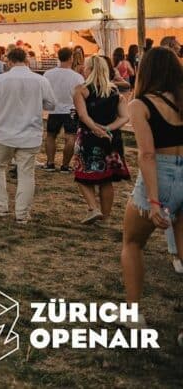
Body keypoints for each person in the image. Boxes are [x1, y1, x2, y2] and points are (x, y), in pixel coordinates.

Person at [121, 47, 183, 328]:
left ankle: (134, 315)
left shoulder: (140, 104)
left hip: (162, 173)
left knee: (133, 243)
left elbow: (146, 154)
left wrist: (155, 201)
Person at [0, 47, 56, 223]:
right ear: (27, 60)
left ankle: (0, 205)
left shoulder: (1, 80)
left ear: (8, 61)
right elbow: (51, 104)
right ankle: (22, 213)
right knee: (26, 173)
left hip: (3, 133)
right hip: (30, 134)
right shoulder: (40, 80)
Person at [72, 55, 130, 223]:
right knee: (106, 179)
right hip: (111, 139)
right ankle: (105, 217)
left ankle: (93, 208)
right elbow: (125, 117)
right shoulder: (115, 92)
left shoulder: (81, 89)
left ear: (89, 69)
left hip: (89, 137)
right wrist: (107, 129)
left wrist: (95, 128)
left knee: (82, 174)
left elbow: (82, 115)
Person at [42, 47, 85, 173]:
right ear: (71, 58)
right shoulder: (76, 77)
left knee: (50, 136)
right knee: (70, 137)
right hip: (71, 109)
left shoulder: (48, 74)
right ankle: (65, 165)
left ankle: (50, 163)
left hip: (54, 108)